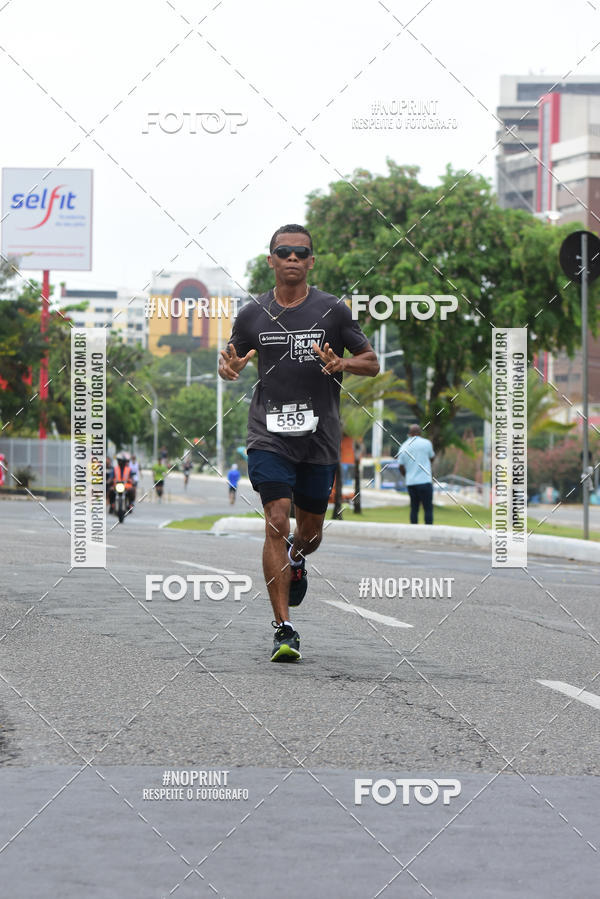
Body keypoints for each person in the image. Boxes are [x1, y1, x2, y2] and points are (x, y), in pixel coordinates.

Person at [219, 223, 379, 662]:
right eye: (283, 251)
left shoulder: (334, 311)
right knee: (275, 518)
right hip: (268, 433)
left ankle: (297, 557)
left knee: (309, 533)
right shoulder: (252, 314)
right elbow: (231, 358)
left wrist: (342, 361)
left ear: (311, 262)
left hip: (319, 436)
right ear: (270, 260)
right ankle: (284, 629)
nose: (291, 258)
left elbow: (372, 363)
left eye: (300, 253)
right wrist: (227, 369)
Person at [396, 424, 435, 524]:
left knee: (414, 508)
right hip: (425, 481)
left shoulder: (404, 446)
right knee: (428, 508)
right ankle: (429, 530)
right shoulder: (427, 443)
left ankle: (414, 529)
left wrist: (407, 475)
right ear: (420, 433)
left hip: (411, 482)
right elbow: (432, 457)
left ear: (409, 434)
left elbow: (400, 466)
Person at [108, 451, 134, 515]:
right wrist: (109, 481)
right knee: (110, 491)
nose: (120, 462)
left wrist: (132, 481)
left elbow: (131, 477)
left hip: (126, 487)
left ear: (124, 462)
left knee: (132, 490)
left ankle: (130, 504)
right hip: (116, 486)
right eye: (119, 461)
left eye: (121, 461)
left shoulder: (128, 469)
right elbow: (111, 477)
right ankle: (112, 504)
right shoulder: (115, 469)